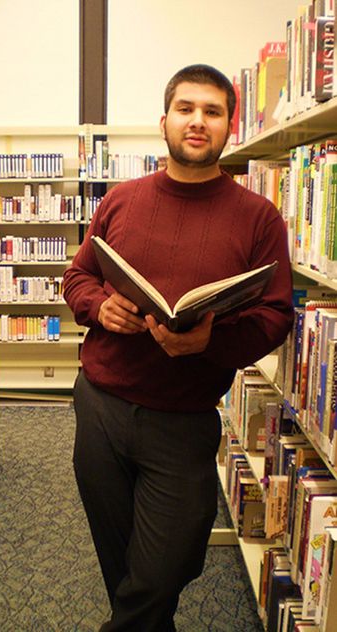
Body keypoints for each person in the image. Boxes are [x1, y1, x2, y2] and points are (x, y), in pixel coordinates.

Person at [63, 64, 294, 631]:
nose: (198, 122)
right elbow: (78, 276)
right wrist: (99, 306)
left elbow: (275, 317)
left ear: (228, 128)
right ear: (163, 121)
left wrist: (211, 340)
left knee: (165, 566)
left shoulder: (259, 218)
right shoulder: (120, 200)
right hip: (101, 407)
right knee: (122, 565)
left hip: (184, 420)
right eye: (186, 109)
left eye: (212, 112)